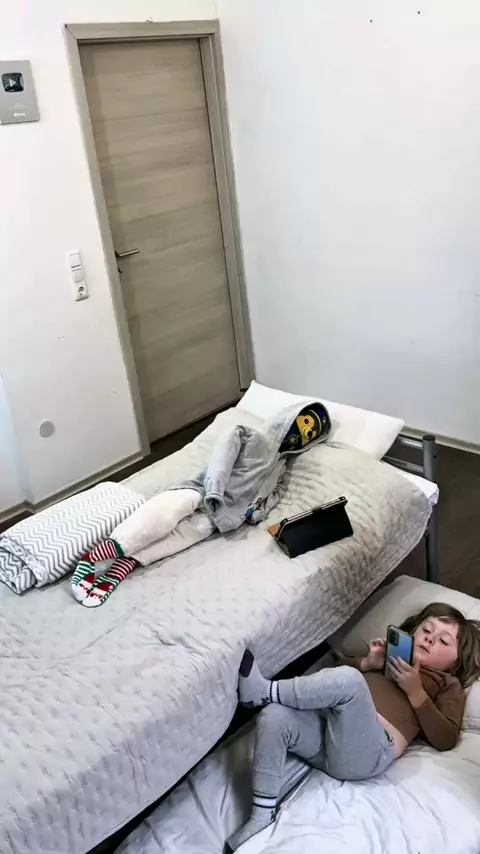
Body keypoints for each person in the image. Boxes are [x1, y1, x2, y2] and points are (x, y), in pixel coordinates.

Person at [226, 602, 480, 853]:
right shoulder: (387, 659)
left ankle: (264, 692)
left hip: (368, 751)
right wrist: (367, 663)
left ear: (455, 662)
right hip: (328, 735)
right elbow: (330, 679)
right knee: (274, 715)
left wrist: (416, 692)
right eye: (426, 630)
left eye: (443, 641)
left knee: (350, 682)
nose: (430, 638)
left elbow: (446, 738)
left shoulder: (446, 683)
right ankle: (261, 816)